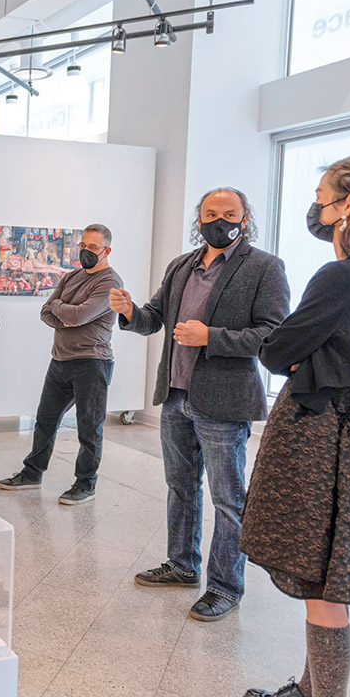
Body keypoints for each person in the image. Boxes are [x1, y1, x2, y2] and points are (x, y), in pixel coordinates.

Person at [242, 156, 350, 697]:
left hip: (328, 442)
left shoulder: (341, 274)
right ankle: (309, 688)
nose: (315, 207)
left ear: (349, 205)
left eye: (321, 196)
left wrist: (295, 356)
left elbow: (279, 347)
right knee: (327, 579)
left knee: (323, 586)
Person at [108, 188, 290, 622]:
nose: (219, 220)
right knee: (181, 487)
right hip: (176, 395)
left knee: (228, 499)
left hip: (224, 401)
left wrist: (212, 337)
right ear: (198, 218)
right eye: (211, 213)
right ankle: (182, 564)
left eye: (229, 213)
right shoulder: (181, 266)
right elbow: (155, 318)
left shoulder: (264, 267)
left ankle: (226, 586)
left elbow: (274, 333)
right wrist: (130, 311)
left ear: (245, 219)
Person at [0, 224, 123, 505]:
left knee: (89, 428)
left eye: (93, 247)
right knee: (45, 420)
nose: (86, 251)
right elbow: (46, 310)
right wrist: (65, 312)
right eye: (83, 245)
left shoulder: (110, 282)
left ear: (107, 250)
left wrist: (65, 311)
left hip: (92, 362)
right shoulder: (71, 277)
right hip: (60, 359)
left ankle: (85, 484)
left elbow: (79, 316)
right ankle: (32, 474)